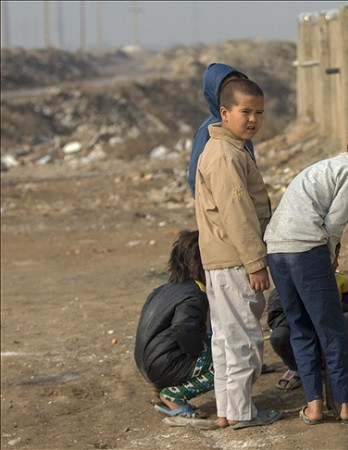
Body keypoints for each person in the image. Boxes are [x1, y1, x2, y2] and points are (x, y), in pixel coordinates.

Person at [265, 116, 348, 424]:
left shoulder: (324, 167)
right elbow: (335, 221)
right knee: (332, 328)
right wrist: (329, 256)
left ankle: (314, 405)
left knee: (300, 327)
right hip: (305, 248)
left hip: (276, 248)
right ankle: (346, 405)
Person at [194, 78, 281, 430]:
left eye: (259, 113)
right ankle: (243, 412)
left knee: (227, 339)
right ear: (225, 112)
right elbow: (238, 214)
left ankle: (229, 411)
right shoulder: (226, 155)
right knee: (243, 337)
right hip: (234, 261)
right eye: (245, 112)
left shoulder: (228, 149)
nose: (253, 120)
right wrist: (256, 263)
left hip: (222, 260)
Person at [134, 230, 213, 419]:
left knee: (208, 342)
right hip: (165, 365)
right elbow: (182, 326)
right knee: (227, 360)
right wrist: (197, 353)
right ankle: (174, 395)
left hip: (150, 364)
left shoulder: (165, 289)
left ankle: (161, 389)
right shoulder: (195, 294)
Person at [268, 244, 348, 390]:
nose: (333, 263)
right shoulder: (285, 284)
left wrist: (331, 306)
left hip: (330, 333)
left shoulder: (342, 282)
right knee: (279, 336)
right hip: (300, 336)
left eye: (334, 258)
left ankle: (336, 364)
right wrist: (304, 314)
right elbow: (275, 319)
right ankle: (297, 368)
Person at [188, 63, 251, 198]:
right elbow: (196, 180)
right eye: (228, 88)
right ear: (214, 93)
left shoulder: (241, 125)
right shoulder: (208, 131)